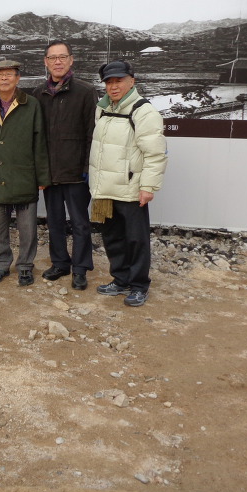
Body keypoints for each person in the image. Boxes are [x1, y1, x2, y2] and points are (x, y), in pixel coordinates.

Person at [90, 60, 168, 308]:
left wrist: (148, 186)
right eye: (109, 82)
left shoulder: (144, 112)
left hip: (131, 188)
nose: (113, 86)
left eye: (119, 81)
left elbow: (155, 154)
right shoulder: (102, 108)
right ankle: (120, 278)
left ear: (132, 81)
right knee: (112, 236)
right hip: (106, 188)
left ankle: (138, 285)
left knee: (136, 239)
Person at [0, 60, 50, 287]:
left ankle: (26, 266)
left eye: (9, 74)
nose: (4, 79)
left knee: (27, 228)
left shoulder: (32, 105)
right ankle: (0, 265)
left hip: (24, 175)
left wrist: (42, 177)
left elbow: (40, 142)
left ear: (18, 78)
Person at [32, 42, 98, 291]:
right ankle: (60, 262)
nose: (57, 62)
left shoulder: (85, 91)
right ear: (45, 62)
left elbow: (92, 134)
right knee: (54, 220)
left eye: (63, 57)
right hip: (49, 171)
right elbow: (35, 136)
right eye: (53, 57)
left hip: (75, 172)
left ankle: (80, 268)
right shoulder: (39, 94)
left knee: (80, 222)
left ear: (71, 60)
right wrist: (38, 170)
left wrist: (86, 168)